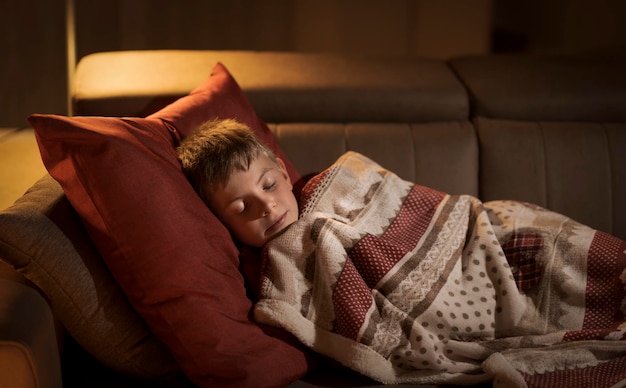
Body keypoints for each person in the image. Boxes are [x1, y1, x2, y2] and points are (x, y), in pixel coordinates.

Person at [176, 118, 299, 248]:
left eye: (269, 185)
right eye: (242, 207)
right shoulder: (250, 265)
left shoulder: (320, 191)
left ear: (284, 176)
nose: (267, 205)